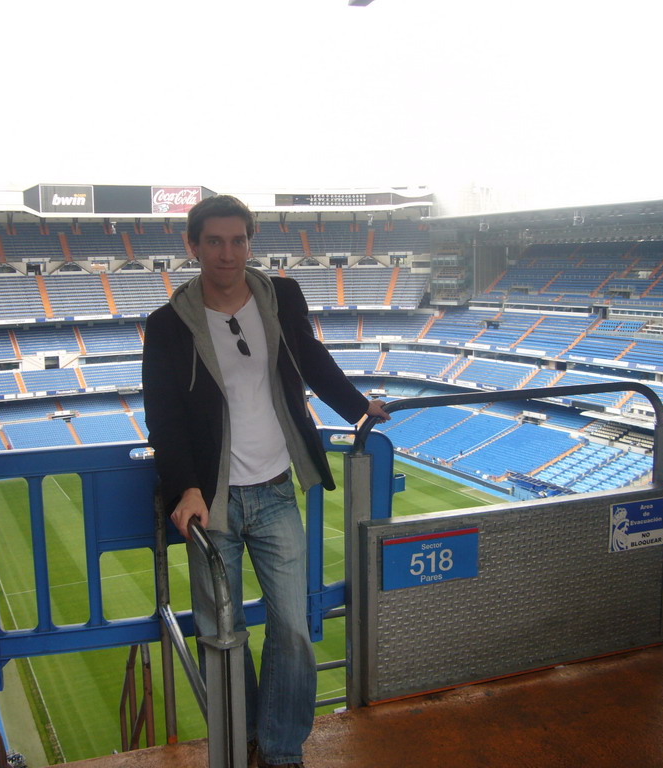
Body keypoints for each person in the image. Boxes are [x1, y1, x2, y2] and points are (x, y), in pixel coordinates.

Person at [142, 194, 389, 768]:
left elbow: (311, 358)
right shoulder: (168, 325)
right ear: (193, 246)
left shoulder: (281, 296)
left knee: (293, 631)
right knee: (221, 635)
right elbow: (164, 416)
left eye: (238, 240)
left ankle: (279, 751)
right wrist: (187, 488)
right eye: (214, 241)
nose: (228, 253)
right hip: (213, 500)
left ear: (249, 243)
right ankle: (242, 738)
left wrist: (357, 408)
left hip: (277, 490)